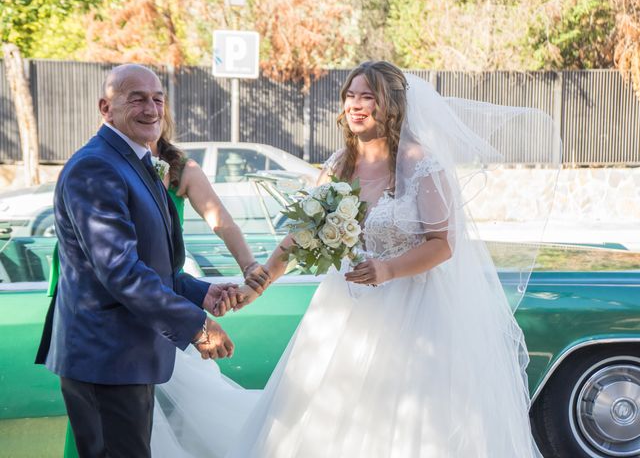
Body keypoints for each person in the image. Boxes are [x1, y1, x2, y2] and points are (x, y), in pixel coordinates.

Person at [152, 61, 556, 457]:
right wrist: (257, 284)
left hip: (413, 312)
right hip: (343, 309)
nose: (356, 104)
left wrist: (388, 268)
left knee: (404, 419)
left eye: (368, 96)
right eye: (350, 95)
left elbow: (441, 243)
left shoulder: (420, 164)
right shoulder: (339, 166)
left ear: (392, 107)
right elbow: (301, 237)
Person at [34, 64, 247, 458]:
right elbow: (120, 271)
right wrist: (196, 325)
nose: (151, 109)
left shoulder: (136, 161)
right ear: (106, 107)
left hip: (127, 357)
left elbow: (152, 262)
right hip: (105, 358)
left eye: (158, 99)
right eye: (137, 99)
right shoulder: (95, 167)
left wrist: (201, 291)